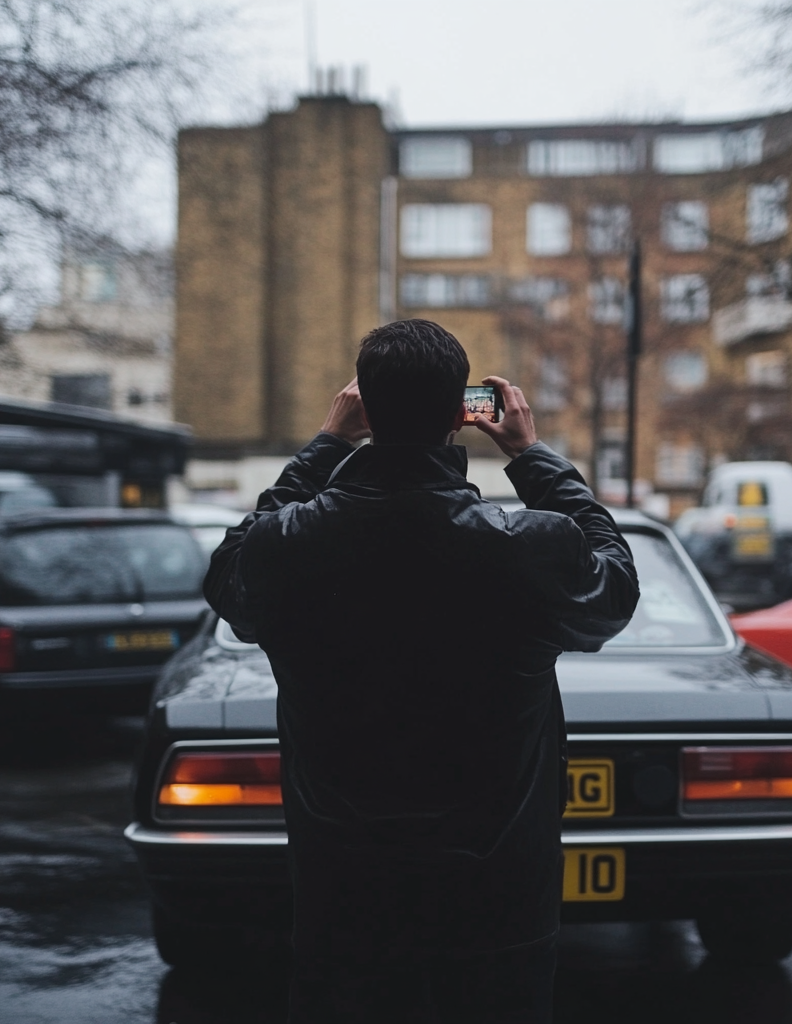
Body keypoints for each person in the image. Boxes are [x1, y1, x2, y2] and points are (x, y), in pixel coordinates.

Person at [205, 319, 639, 1023]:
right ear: (460, 417)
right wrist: (531, 456)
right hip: (498, 898)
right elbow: (613, 591)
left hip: (343, 893)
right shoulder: (528, 548)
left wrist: (324, 446)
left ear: (365, 410)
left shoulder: (288, 547)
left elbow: (232, 577)